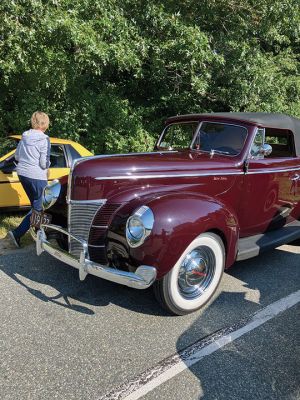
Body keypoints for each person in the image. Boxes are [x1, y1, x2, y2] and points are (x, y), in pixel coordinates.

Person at [8, 111, 51, 247]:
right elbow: (44, 164)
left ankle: (40, 233)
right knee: (39, 207)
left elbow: (17, 157)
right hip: (37, 176)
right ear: (45, 123)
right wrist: (49, 164)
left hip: (23, 174)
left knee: (36, 206)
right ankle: (17, 234)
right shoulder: (45, 139)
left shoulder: (24, 136)